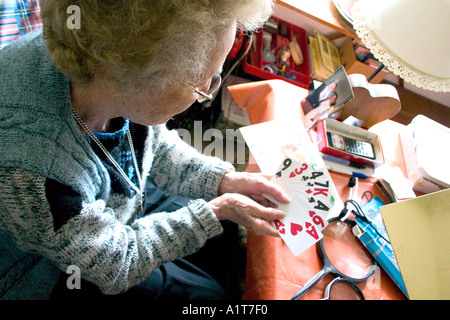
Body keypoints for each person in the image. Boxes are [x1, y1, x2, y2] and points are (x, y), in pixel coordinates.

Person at [0, 0, 291, 300]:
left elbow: (152, 142)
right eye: (199, 84)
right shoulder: (34, 173)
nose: (204, 96)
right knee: (210, 295)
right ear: (138, 80)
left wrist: (220, 182)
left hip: (115, 202)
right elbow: (118, 265)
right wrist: (217, 210)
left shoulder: (101, 60)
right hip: (57, 271)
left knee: (224, 237)